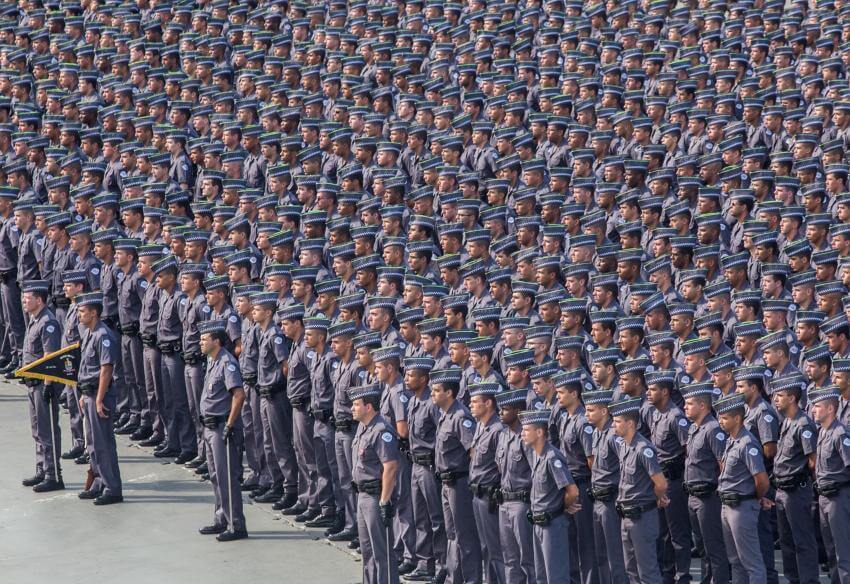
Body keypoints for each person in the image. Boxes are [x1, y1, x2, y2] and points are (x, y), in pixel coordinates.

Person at [196, 319, 248, 541]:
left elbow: (238, 394)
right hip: (209, 427)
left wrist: (229, 424)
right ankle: (221, 518)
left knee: (227, 477)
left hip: (221, 428)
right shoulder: (213, 360)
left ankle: (236, 525)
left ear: (216, 341)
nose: (200, 342)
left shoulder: (227, 362)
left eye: (204, 339)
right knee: (216, 476)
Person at [431, 367, 482, 584]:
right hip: (446, 482)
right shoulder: (445, 415)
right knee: (451, 534)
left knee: (465, 536)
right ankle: (455, 578)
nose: (432, 394)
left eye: (436, 390)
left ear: (449, 393)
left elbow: (473, 452)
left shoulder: (461, 417)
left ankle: (470, 579)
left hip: (459, 483)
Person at [610, 396, 669, 584]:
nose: (614, 425)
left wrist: (656, 499)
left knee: (647, 571)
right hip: (626, 516)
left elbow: (661, 483)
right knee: (631, 570)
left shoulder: (644, 448)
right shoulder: (624, 446)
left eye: (618, 421)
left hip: (642, 517)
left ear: (630, 423)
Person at [715, 392, 772, 583]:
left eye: (724, 418)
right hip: (728, 505)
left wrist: (754, 497)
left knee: (751, 562)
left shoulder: (747, 443)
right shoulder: (732, 440)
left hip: (742, 507)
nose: (720, 422)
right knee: (735, 561)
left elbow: (762, 480)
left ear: (737, 418)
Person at [520, 408, 580, 584]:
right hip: (539, 523)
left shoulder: (552, 457)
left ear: (539, 432)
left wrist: (560, 507)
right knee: (541, 576)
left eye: (526, 430)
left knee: (556, 576)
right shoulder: (537, 455)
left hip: (552, 524)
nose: (522, 433)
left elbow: (572, 491)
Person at [75, 291, 123, 505]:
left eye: (82, 311)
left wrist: (98, 399)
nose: (79, 315)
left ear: (94, 313)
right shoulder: (88, 333)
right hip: (89, 393)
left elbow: (106, 370)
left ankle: (112, 488)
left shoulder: (104, 335)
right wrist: (84, 395)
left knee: (103, 443)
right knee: (93, 443)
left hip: (98, 394)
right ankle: (99, 482)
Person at [350, 382, 401, 584]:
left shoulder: (381, 430)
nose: (351, 408)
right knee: (367, 550)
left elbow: (390, 467)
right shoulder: (363, 428)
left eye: (355, 404)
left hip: (375, 496)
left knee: (382, 552)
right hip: (362, 495)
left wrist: (384, 502)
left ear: (368, 407)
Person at [770, 376, 819, 584]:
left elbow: (813, 461)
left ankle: (808, 580)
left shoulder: (803, 424)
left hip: (796, 490)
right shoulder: (787, 422)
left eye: (780, 396)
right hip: (781, 490)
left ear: (792, 398)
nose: (775, 399)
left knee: (802, 541)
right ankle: (793, 580)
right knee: (787, 542)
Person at [681, 382, 730, 584]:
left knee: (714, 548)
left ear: (702, 406)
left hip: (708, 497)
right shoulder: (694, 428)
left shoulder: (713, 429)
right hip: (693, 495)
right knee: (702, 548)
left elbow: (723, 465)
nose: (685, 407)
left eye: (690, 403)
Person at [19, 280, 64, 492]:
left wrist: (48, 385)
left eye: (27, 299)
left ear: (39, 300)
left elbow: (50, 357)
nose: (24, 302)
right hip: (32, 383)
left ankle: (53, 474)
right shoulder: (34, 319)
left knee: (48, 430)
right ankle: (42, 468)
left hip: (42, 385)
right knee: (37, 430)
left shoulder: (48, 322)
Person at [809, 386, 850, 582]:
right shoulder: (823, 432)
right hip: (824, 497)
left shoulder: (840, 433)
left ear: (831, 409)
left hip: (838, 497)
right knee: (831, 550)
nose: (813, 410)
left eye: (817, 406)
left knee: (843, 551)